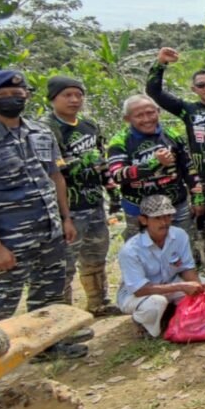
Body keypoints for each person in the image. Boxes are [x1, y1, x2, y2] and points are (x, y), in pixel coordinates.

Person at [0, 70, 87, 361]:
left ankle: (46, 347)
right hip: (9, 237)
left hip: (49, 231)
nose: (12, 100)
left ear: (27, 96)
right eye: (2, 96)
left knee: (48, 293)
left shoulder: (41, 132)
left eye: (17, 95)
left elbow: (55, 176)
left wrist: (65, 218)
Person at [147, 47, 205, 293]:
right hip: (204, 180)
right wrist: (160, 64)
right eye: (201, 85)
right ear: (194, 89)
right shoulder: (188, 110)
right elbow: (154, 92)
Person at [45, 75, 120, 317]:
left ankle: (98, 303)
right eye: (67, 95)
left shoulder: (90, 126)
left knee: (96, 255)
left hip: (94, 202)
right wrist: (75, 162)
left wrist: (112, 194)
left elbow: (102, 162)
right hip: (66, 208)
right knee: (63, 265)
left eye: (78, 94)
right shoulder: (46, 130)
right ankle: (62, 318)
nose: (75, 99)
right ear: (53, 98)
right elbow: (46, 169)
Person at [108, 95, 202, 256]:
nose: (147, 119)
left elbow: (188, 167)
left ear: (158, 112)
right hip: (139, 210)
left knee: (184, 251)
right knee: (142, 255)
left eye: (151, 113)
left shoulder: (171, 134)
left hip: (176, 206)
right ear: (127, 118)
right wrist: (153, 164)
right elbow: (118, 175)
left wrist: (198, 198)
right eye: (139, 115)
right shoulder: (120, 141)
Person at [116, 195, 205, 338]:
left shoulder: (179, 235)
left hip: (168, 284)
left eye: (167, 216)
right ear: (144, 220)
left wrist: (198, 288)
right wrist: (182, 287)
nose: (164, 222)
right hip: (137, 295)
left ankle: (170, 314)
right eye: (157, 218)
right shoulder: (130, 250)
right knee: (156, 303)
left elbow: (187, 268)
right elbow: (139, 290)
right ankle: (141, 322)